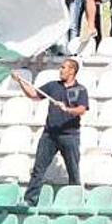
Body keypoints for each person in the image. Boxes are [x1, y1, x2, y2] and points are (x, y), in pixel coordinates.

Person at [12, 59, 88, 207]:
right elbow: (34, 94)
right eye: (61, 67)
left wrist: (67, 109)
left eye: (63, 67)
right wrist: (20, 81)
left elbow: (82, 109)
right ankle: (30, 200)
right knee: (38, 169)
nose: (60, 70)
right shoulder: (53, 86)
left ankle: (75, 201)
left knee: (73, 170)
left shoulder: (81, 90)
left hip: (69, 135)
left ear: (72, 71)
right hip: (50, 134)